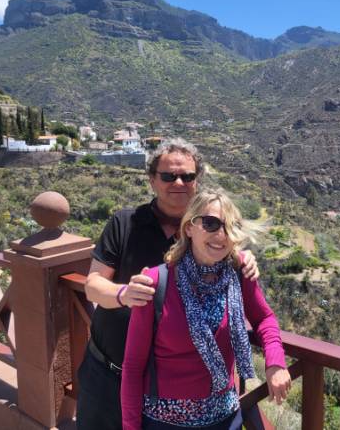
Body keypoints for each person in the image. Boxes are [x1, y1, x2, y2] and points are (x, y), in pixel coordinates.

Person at [78, 139, 260, 430]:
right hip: (107, 373)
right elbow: (93, 285)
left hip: (164, 398)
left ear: (197, 181)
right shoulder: (125, 223)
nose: (178, 183)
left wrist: (242, 257)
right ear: (152, 180)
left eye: (187, 176)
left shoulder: (206, 233)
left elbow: (231, 263)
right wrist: (125, 294)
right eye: (168, 176)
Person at [121, 189, 291, 429]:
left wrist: (275, 363)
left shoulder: (238, 273)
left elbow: (264, 319)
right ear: (189, 228)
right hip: (164, 422)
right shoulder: (155, 282)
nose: (221, 234)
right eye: (210, 224)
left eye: (230, 226)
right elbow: (133, 366)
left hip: (225, 419)